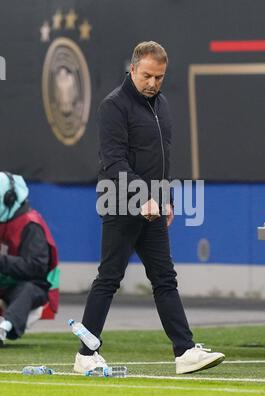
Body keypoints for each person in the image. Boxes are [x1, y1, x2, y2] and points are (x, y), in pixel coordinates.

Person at [73, 41, 225, 374]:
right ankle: (85, 355)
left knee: (164, 278)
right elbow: (113, 161)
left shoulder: (162, 106)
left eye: (159, 77)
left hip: (153, 205)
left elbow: (161, 161)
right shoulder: (113, 106)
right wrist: (143, 196)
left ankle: (184, 352)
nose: (153, 83)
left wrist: (164, 197)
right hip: (121, 202)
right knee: (109, 277)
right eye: (147, 76)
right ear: (133, 69)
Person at [0, 171, 59, 347]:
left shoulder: (31, 224)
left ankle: (4, 328)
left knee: (28, 288)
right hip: (6, 282)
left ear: (9, 199)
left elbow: (36, 268)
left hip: (35, 287)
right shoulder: (5, 219)